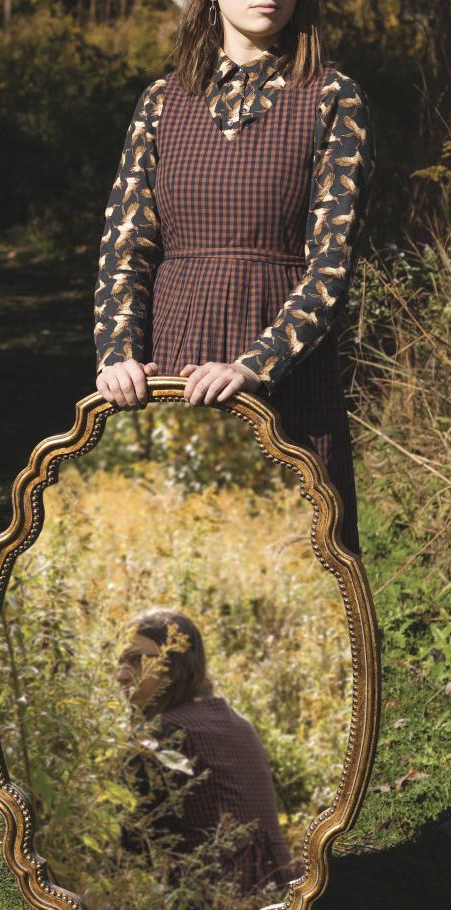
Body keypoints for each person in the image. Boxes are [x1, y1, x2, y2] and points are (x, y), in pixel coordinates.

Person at [93, 0, 376, 555]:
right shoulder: (162, 101)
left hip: (288, 379)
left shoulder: (334, 98)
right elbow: (125, 246)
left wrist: (254, 368)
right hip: (173, 364)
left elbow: (331, 266)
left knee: (294, 569)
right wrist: (117, 355)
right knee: (176, 565)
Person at [115, 607, 294, 895]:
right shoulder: (238, 723)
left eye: (136, 660)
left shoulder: (158, 736)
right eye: (120, 661)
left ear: (174, 665)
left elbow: (128, 853)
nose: (121, 675)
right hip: (283, 895)